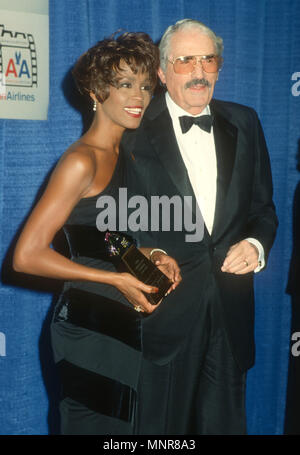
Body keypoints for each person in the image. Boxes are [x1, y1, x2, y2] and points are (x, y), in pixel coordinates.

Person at [13, 32, 181, 435]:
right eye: (125, 84)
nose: (139, 95)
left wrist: (155, 254)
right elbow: (27, 254)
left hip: (123, 320)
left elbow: (106, 237)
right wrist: (115, 279)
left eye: (144, 85)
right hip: (86, 325)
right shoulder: (79, 161)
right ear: (95, 90)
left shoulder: (127, 154)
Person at [121, 19, 278, 434]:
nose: (198, 72)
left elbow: (264, 210)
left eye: (208, 60)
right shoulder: (131, 129)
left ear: (219, 67)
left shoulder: (245, 122)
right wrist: (150, 259)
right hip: (163, 315)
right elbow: (112, 224)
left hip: (231, 313)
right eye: (185, 60)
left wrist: (257, 246)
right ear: (161, 71)